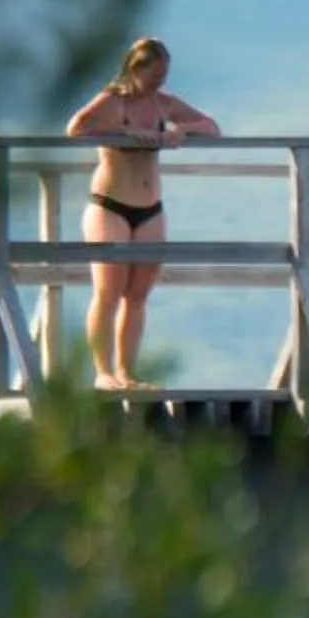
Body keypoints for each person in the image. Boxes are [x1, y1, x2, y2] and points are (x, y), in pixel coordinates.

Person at [64, 36, 220, 390]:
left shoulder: (163, 104)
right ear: (135, 70)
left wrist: (181, 131)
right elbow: (76, 128)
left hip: (150, 208)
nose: (157, 84)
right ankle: (103, 373)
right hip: (111, 206)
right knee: (108, 291)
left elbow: (212, 126)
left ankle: (127, 373)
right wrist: (125, 132)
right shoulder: (112, 101)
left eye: (163, 77)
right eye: (152, 77)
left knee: (137, 295)